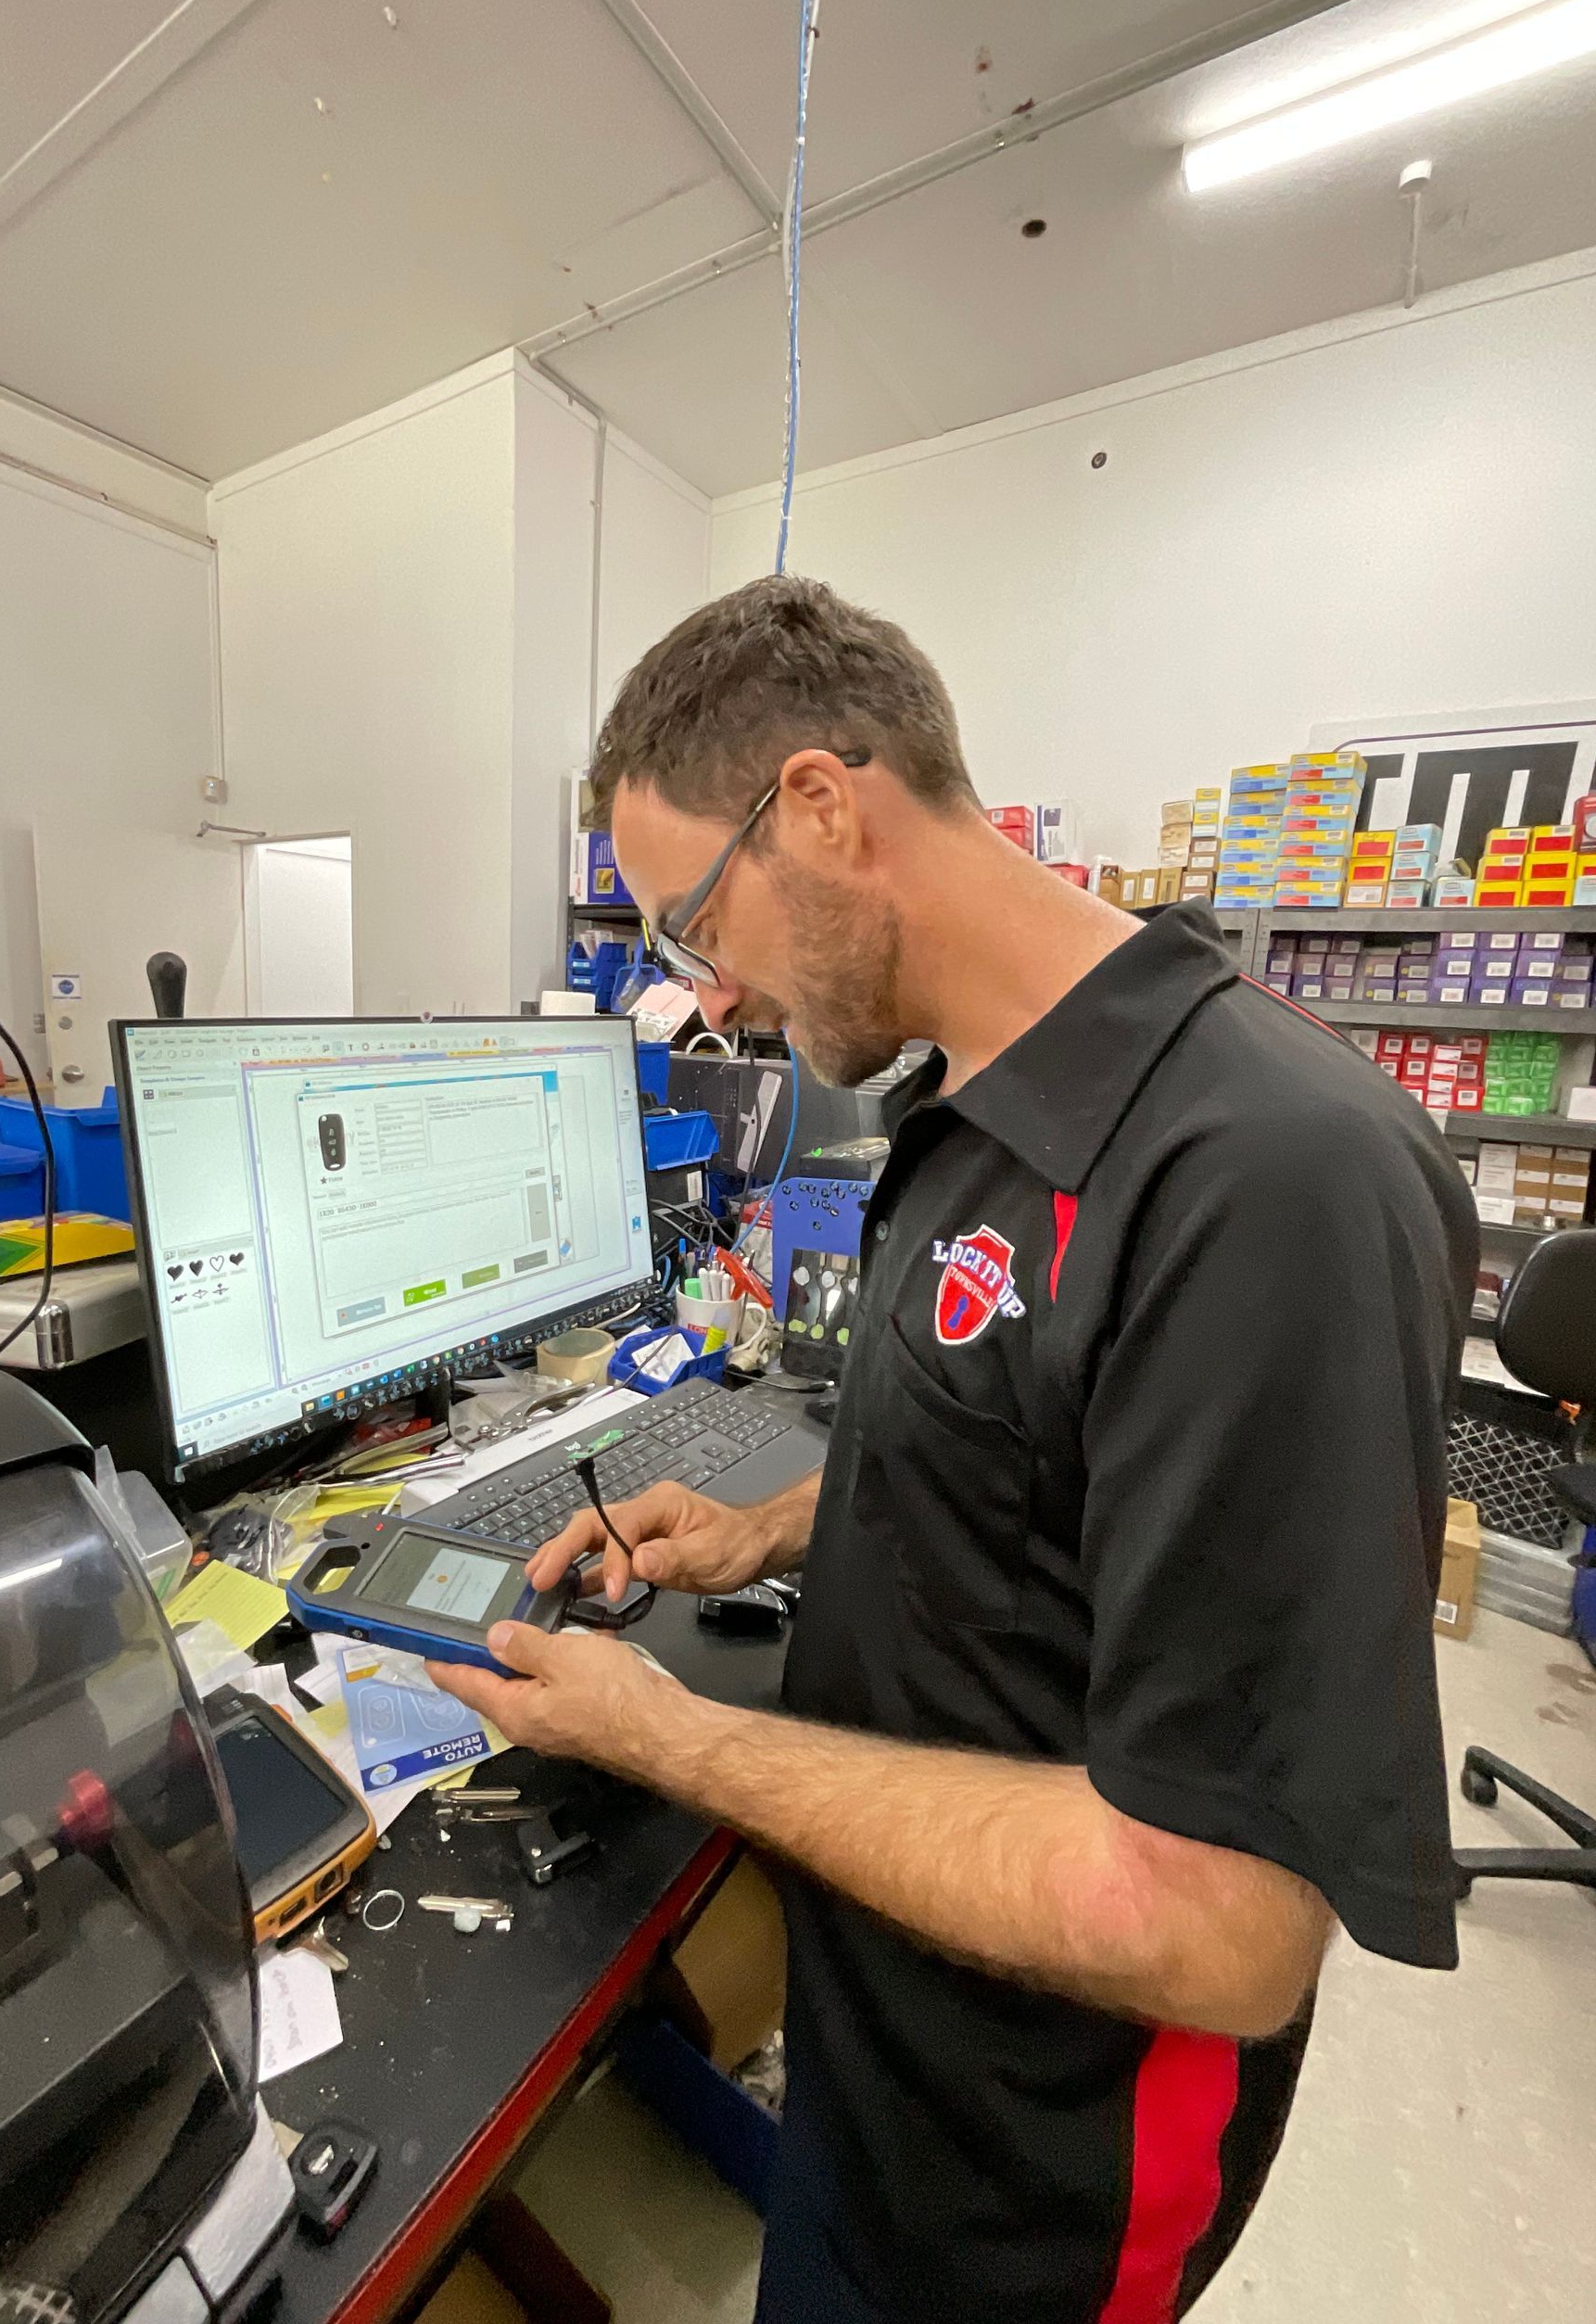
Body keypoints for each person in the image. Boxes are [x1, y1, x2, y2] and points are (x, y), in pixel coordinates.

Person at [427, 574, 1477, 2324]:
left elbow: (1215, 1926)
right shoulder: (972, 1102)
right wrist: (768, 1528)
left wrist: (685, 1743)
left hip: (1033, 2172)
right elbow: (1036, 1457)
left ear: (823, 809)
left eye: (695, 923)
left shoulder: (1265, 1184)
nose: (709, 999)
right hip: (888, 2031)